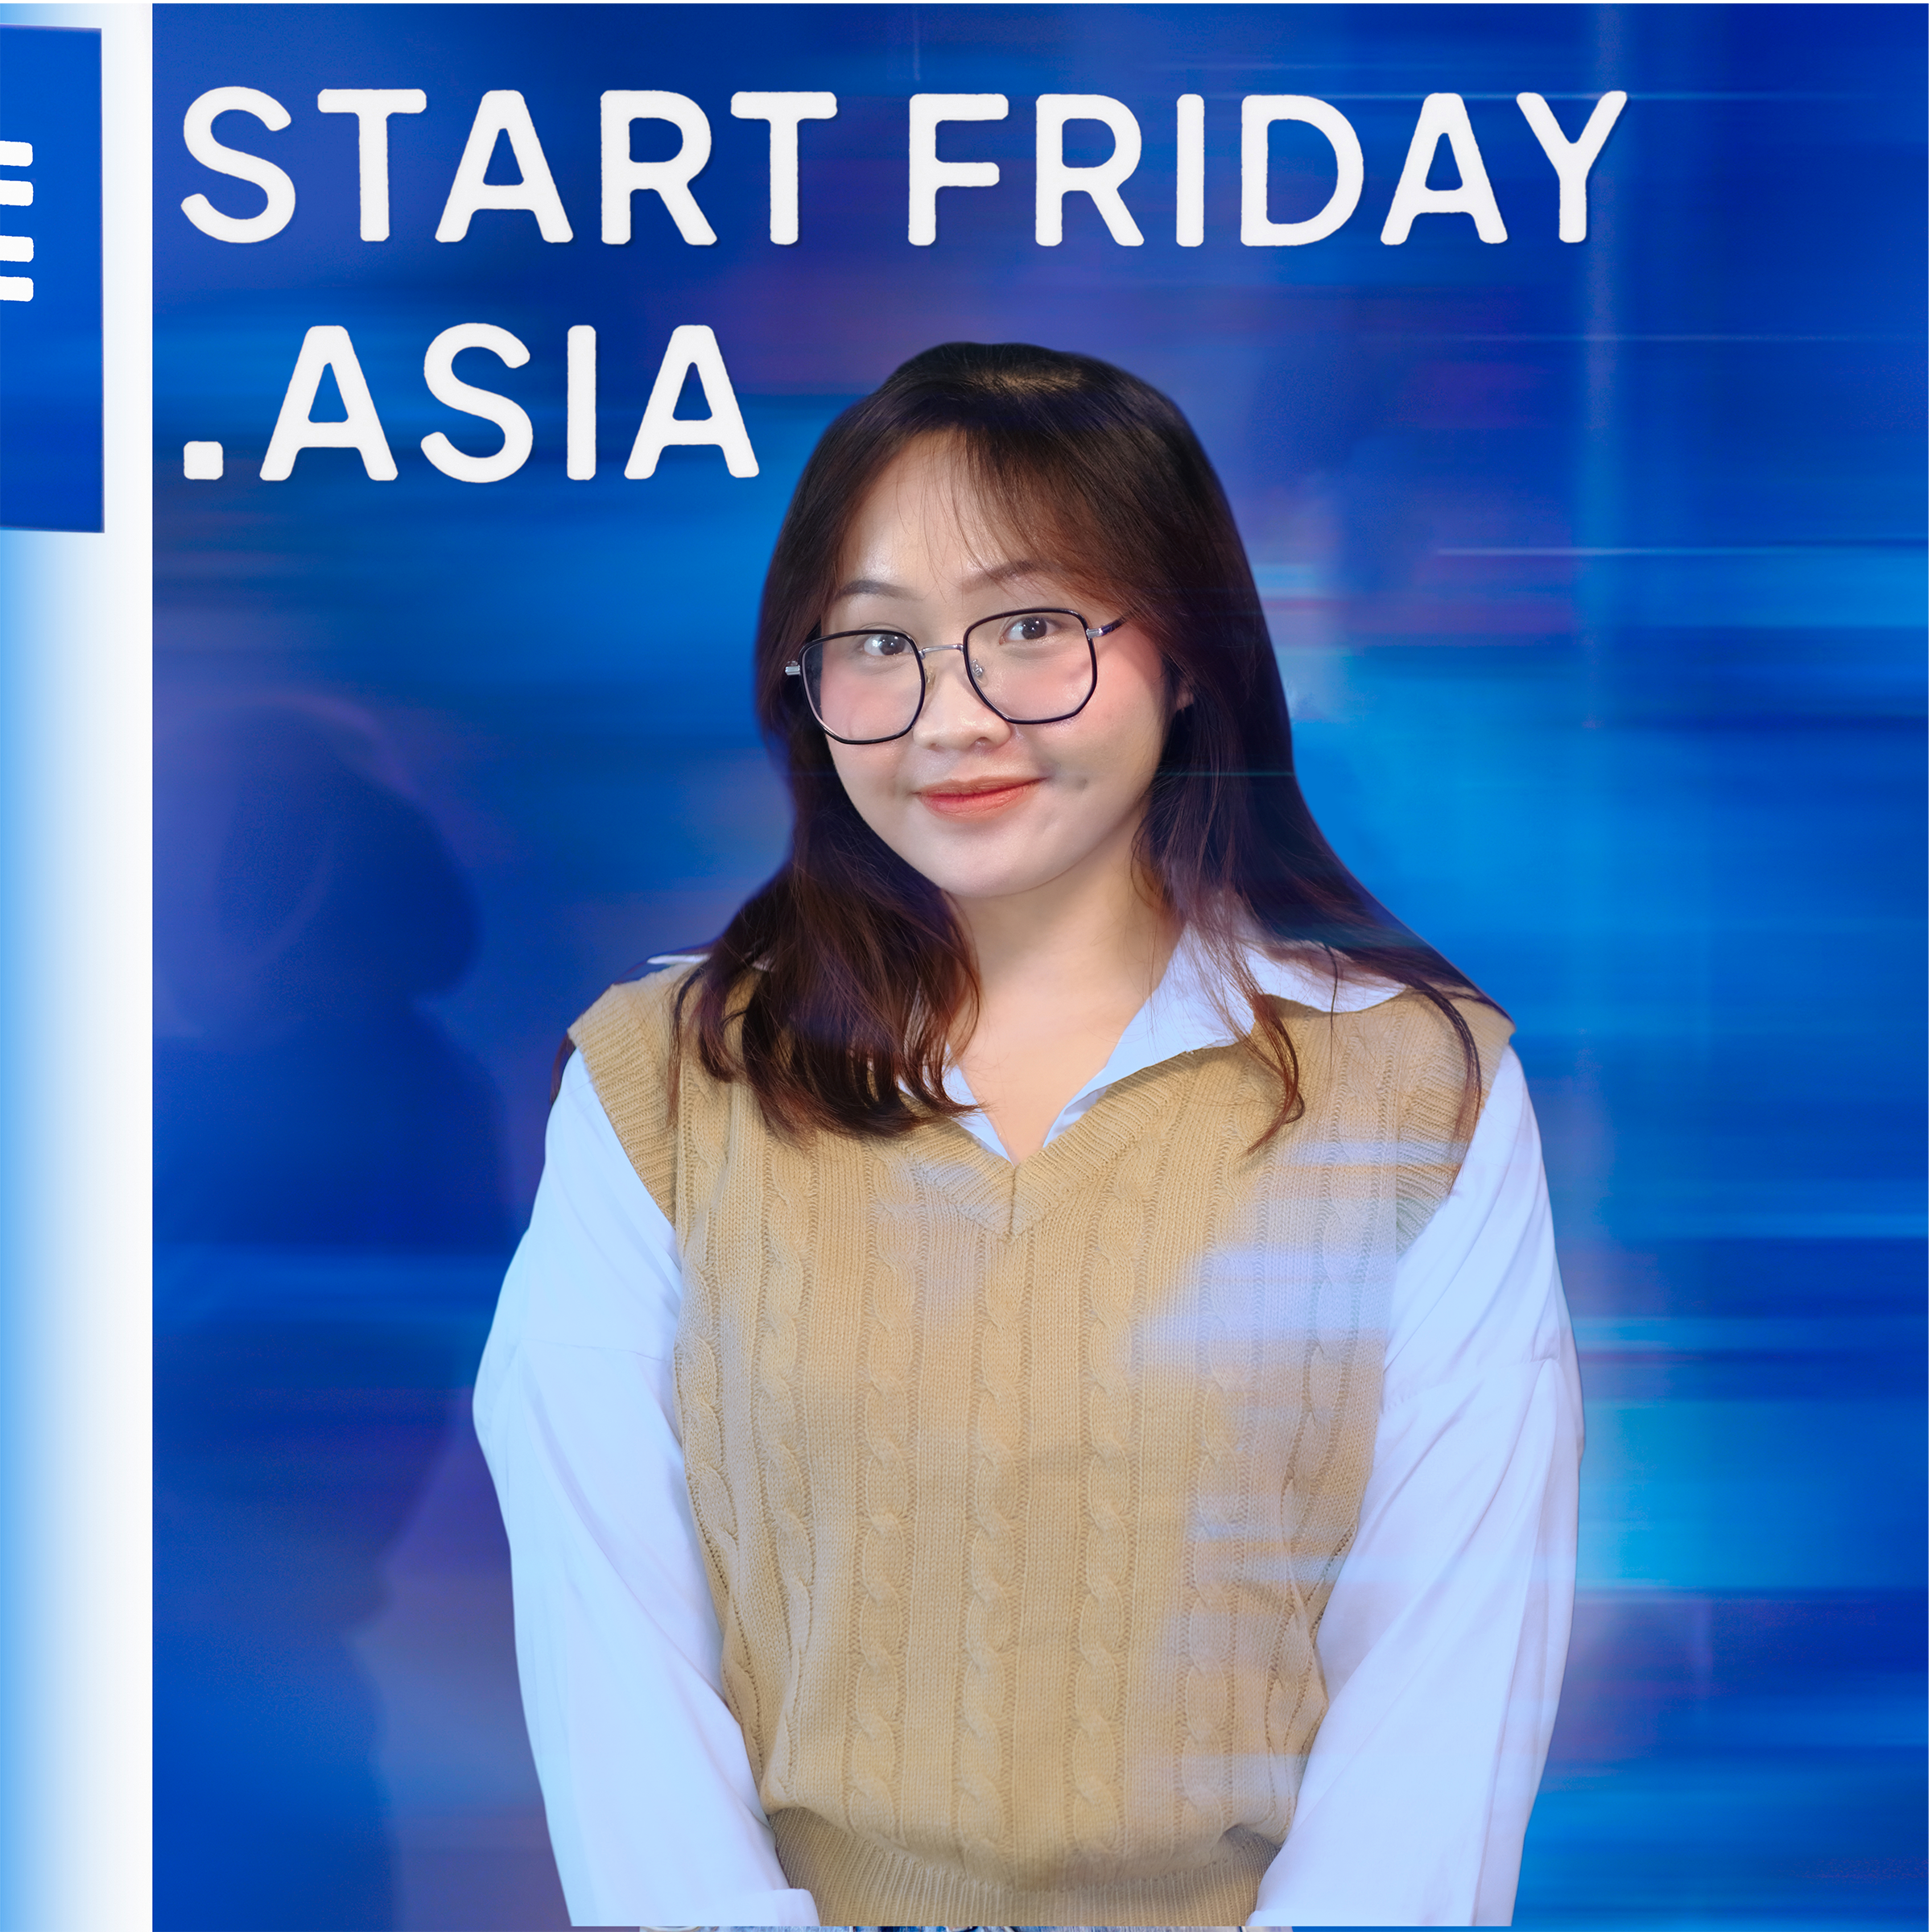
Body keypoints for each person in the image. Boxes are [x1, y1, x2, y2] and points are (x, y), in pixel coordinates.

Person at [475, 342, 1583, 1928]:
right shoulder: (663, 1088)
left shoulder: (1419, 1095)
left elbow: (1447, 1684)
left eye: (1034, 630)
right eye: (876, 645)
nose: (953, 719)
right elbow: (615, 1667)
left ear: (1188, 650)